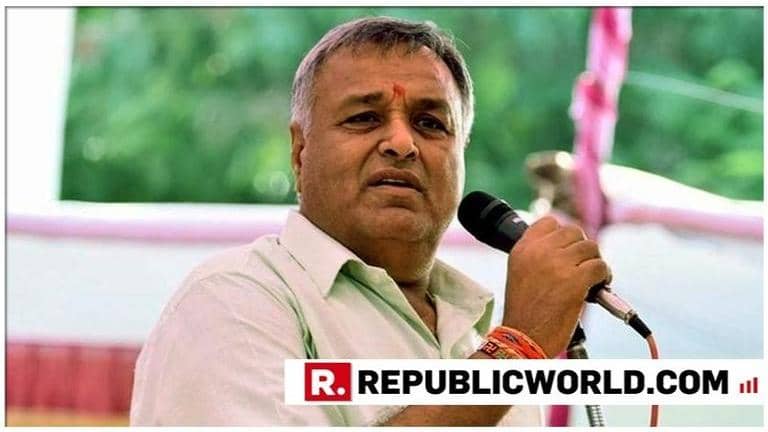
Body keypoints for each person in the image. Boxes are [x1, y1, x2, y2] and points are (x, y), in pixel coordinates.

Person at [130, 16, 610, 426]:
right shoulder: (233, 299)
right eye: (364, 118)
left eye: (430, 123)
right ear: (299, 152)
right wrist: (515, 352)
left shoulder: (474, 336)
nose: (401, 143)